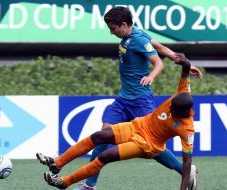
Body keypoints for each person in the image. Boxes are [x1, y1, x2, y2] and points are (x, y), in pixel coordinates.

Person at [67, 6, 201, 190]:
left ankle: (184, 169)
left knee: (151, 145)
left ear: (124, 24)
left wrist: (152, 76)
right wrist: (186, 62)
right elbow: (161, 47)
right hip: (124, 99)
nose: (110, 32)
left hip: (140, 100)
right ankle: (90, 186)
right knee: (103, 136)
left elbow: (158, 62)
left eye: (113, 28)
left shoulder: (137, 39)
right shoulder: (137, 33)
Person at [37, 56, 196, 190]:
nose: (169, 108)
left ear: (183, 113)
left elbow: (187, 160)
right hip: (136, 125)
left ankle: (65, 182)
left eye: (173, 109)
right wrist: (186, 63)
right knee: (99, 136)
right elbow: (185, 73)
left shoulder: (186, 129)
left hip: (146, 144)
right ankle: (58, 164)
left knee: (105, 156)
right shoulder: (181, 94)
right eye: (171, 104)